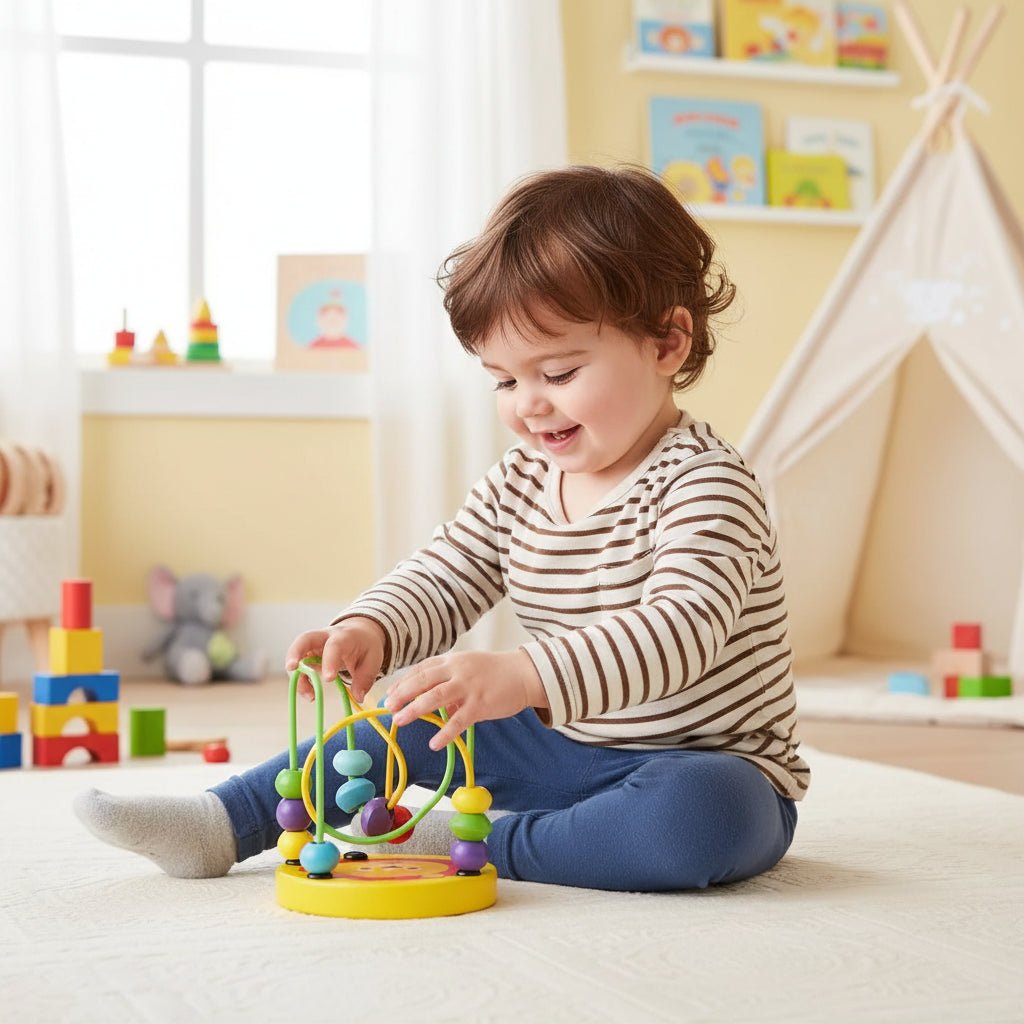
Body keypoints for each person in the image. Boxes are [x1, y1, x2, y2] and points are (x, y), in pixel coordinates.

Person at [74, 165, 809, 892]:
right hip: (560, 746)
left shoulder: (705, 483)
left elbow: (679, 631)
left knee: (696, 822)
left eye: (557, 373)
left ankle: (483, 841)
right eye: (504, 380)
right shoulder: (522, 480)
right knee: (390, 727)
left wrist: (522, 676)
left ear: (666, 344)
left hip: (703, 763)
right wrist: (374, 629)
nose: (529, 405)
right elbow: (449, 570)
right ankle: (219, 824)